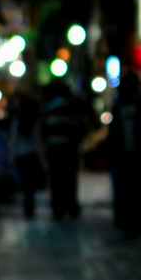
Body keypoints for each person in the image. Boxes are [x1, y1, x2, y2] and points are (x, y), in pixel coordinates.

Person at [108, 76, 141, 235]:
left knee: (138, 189)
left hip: (137, 154)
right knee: (132, 189)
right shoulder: (122, 106)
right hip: (127, 156)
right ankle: (132, 221)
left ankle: (139, 221)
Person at [40, 81, 92, 219]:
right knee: (70, 180)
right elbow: (79, 129)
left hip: (54, 151)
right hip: (69, 150)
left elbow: (43, 132)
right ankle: (71, 207)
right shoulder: (71, 108)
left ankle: (58, 208)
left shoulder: (48, 109)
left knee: (56, 181)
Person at [8, 90, 45, 219]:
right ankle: (30, 209)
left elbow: (13, 140)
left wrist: (11, 156)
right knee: (30, 186)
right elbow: (38, 141)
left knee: (25, 185)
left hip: (21, 156)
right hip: (31, 156)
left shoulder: (17, 121)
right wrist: (42, 160)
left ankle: (27, 209)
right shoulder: (33, 121)